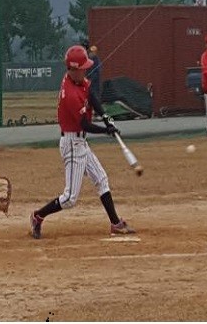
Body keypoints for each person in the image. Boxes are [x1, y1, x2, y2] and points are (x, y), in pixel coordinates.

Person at [29, 45, 136, 239]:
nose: (86, 71)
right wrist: (106, 130)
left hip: (81, 142)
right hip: (72, 144)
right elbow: (84, 124)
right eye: (82, 68)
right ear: (72, 69)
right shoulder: (70, 94)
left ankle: (115, 223)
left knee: (101, 179)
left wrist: (106, 117)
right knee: (70, 198)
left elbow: (91, 96)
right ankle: (38, 216)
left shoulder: (78, 80)